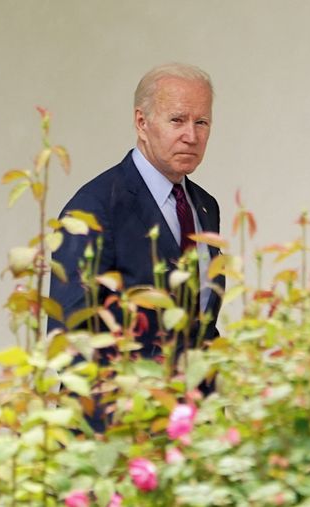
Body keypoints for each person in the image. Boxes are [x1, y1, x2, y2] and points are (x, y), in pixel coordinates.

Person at [48, 62, 223, 364]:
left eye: (202, 123)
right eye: (177, 120)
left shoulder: (206, 207)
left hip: (192, 407)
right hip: (125, 407)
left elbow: (199, 325)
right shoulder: (94, 208)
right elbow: (70, 341)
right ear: (141, 123)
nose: (191, 136)